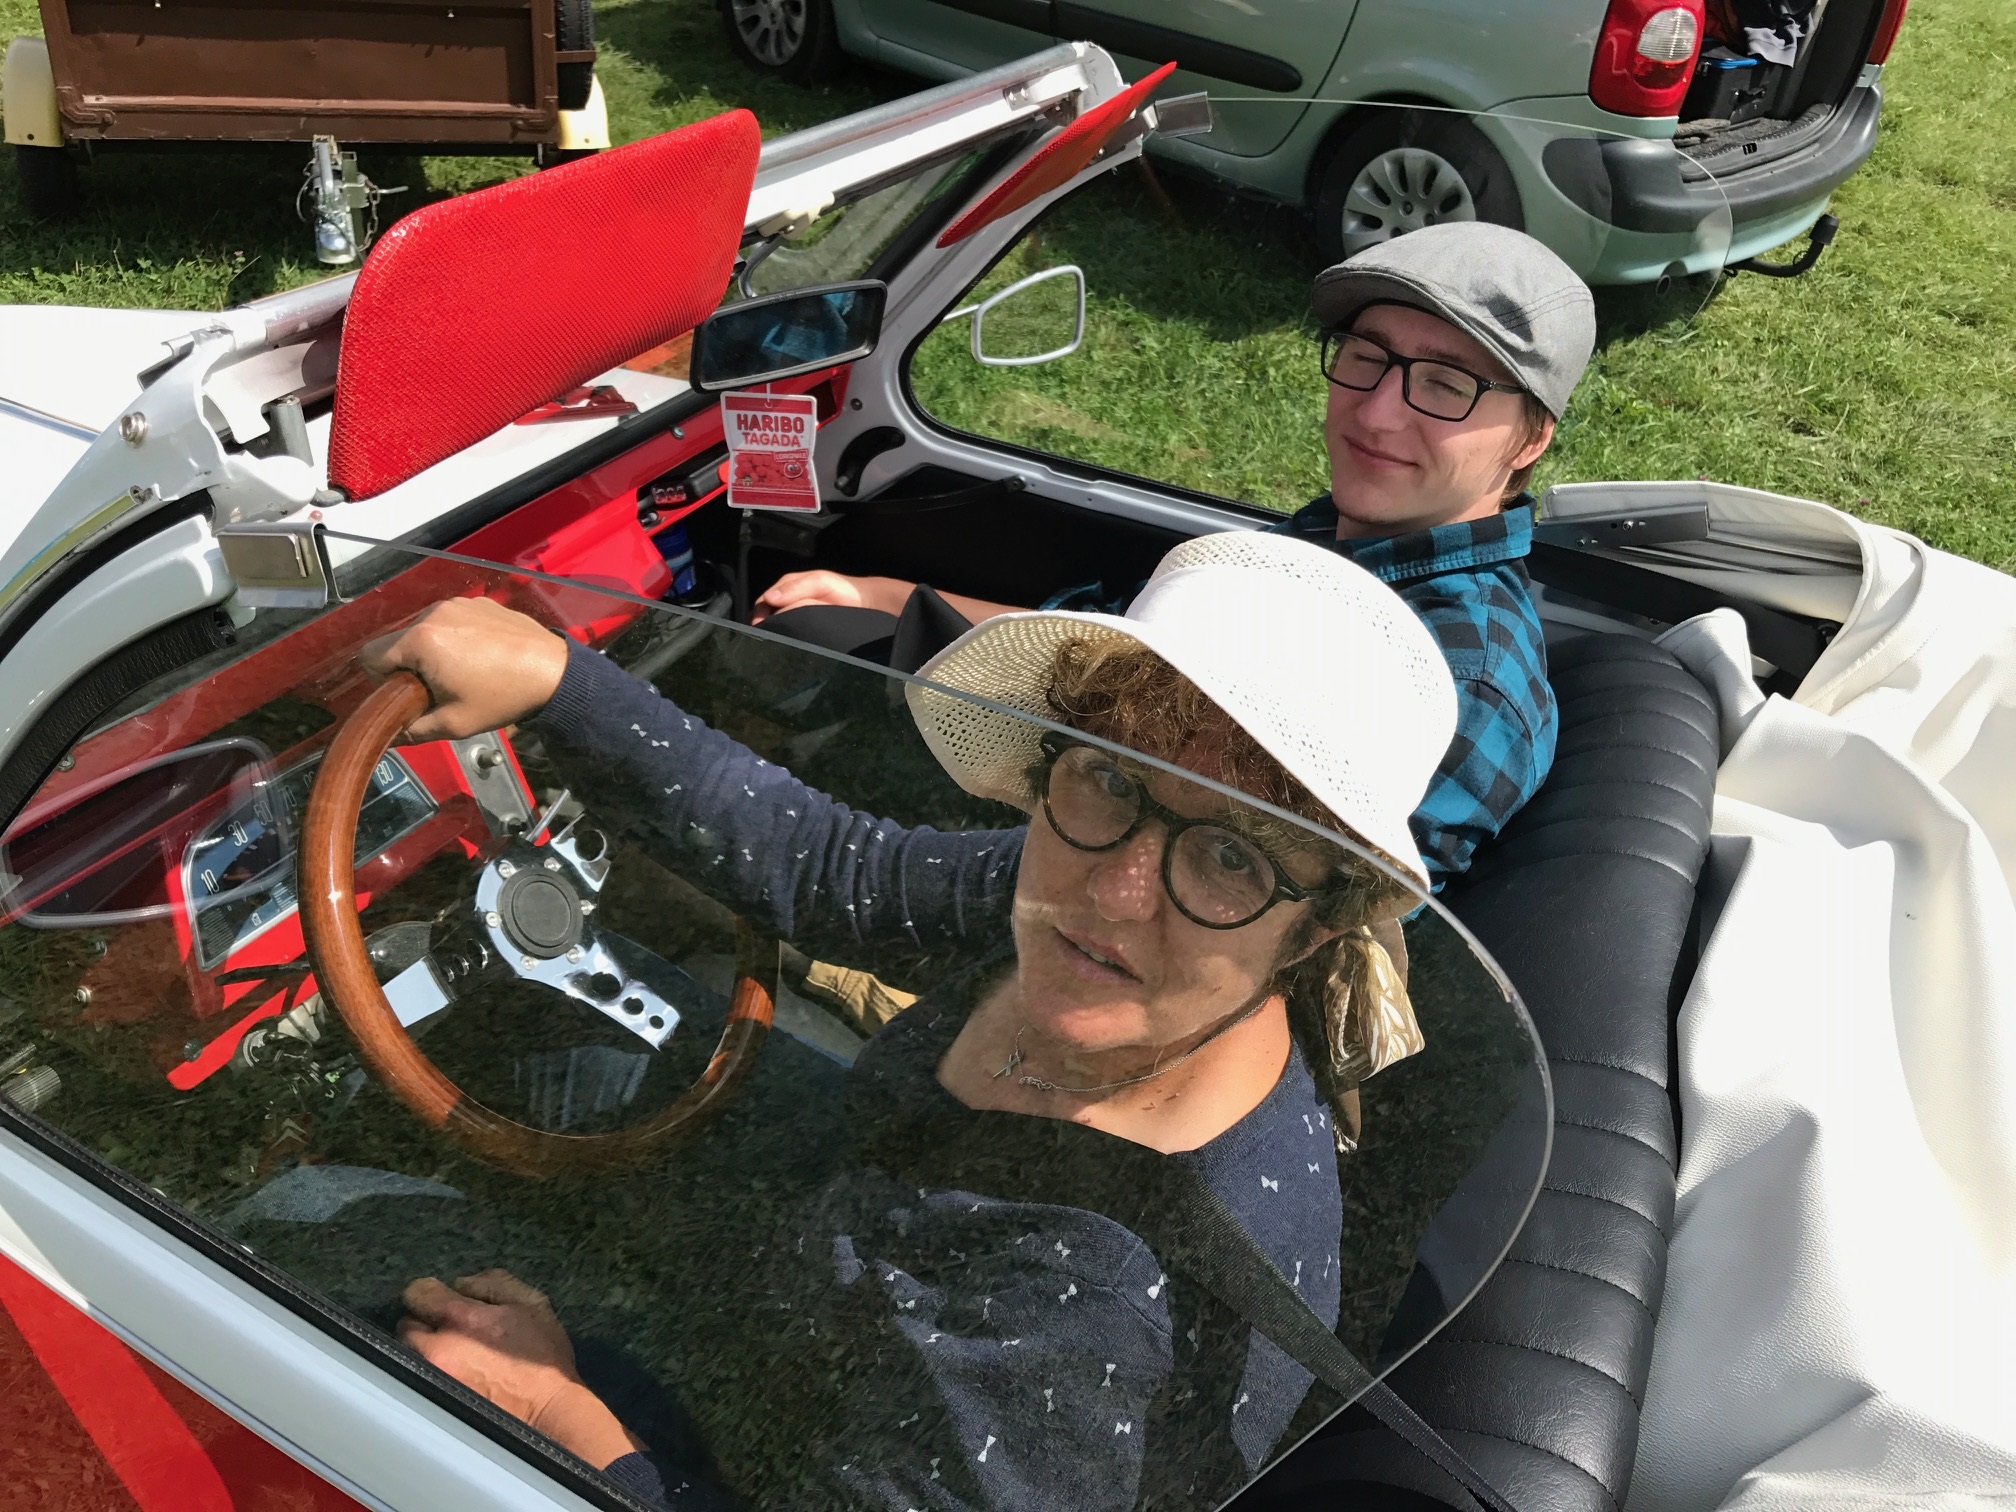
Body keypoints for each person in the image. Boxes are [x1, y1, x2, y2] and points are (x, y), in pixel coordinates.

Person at [362, 529, 1457, 1510]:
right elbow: (840, 872)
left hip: (759, 1441)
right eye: (1112, 777)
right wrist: (564, 684)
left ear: (1317, 929)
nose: (1117, 896)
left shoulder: (1087, 1311)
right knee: (544, 1025)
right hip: (821, 1262)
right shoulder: (1085, 871)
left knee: (338, 1245)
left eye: (1232, 856)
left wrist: (554, 1409)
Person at [755, 222, 1596, 886]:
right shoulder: (1331, 545)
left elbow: (1302, 932)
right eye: (1366, 358)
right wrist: (888, 593)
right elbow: (1105, 645)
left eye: (1446, 385)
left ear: (1532, 438)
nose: (1375, 414)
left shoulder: (1458, 683)